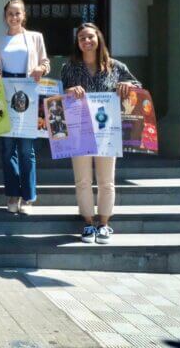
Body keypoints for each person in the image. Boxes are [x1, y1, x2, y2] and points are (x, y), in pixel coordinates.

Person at [61, 22, 140, 244]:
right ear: (77, 43)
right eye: (81, 38)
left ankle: (104, 224)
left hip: (107, 131)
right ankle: (88, 224)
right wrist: (68, 91)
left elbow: (137, 85)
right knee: (83, 180)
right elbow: (60, 97)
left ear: (99, 39)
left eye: (90, 37)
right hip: (80, 130)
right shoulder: (69, 68)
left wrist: (127, 86)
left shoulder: (116, 67)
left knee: (106, 181)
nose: (86, 41)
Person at [0, 0, 50, 215]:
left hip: (28, 93)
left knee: (26, 149)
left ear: (24, 16)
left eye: (18, 13)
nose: (14, 17)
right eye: (10, 13)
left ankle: (29, 197)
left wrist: (41, 69)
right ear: (5, 16)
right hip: (4, 93)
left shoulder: (35, 38)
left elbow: (45, 62)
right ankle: (13, 193)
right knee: (7, 149)